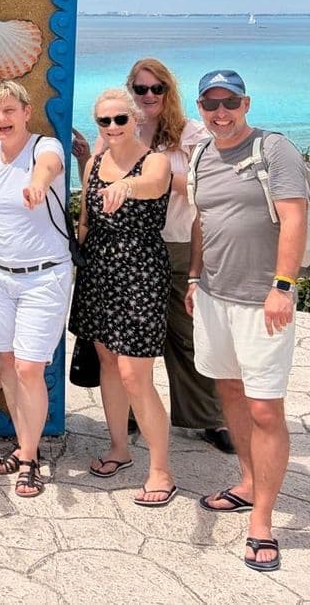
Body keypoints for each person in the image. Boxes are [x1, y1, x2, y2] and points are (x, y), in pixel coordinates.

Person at [73, 59, 230, 453]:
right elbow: (95, 192)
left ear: (168, 92)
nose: (148, 97)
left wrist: (143, 179)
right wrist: (88, 163)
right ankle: (127, 418)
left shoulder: (190, 136)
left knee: (184, 335)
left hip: (173, 242)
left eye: (155, 89)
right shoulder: (115, 128)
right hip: (116, 253)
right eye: (140, 90)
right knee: (121, 349)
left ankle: (205, 417)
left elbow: (201, 189)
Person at [186, 70, 309, 574]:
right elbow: (202, 220)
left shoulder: (274, 150)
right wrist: (194, 277)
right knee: (231, 393)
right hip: (214, 295)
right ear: (200, 106)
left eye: (229, 102)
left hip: (263, 301)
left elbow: (294, 217)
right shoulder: (201, 154)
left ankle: (262, 521)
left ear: (246, 103)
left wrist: (283, 286)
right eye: (211, 103)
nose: (221, 112)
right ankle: (247, 481)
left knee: (264, 408)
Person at [0, 80, 72, 499]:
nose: (1, 120)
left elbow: (47, 167)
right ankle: (25, 444)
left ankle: (28, 457)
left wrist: (38, 184)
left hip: (43, 276)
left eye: (9, 111)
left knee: (29, 368)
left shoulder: (46, 148)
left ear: (26, 111)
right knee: (7, 363)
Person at [68, 89, 178, 506]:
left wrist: (125, 187)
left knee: (136, 374)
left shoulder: (155, 162)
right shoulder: (94, 163)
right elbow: (85, 216)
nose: (112, 127)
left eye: (119, 119)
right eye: (104, 121)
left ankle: (161, 469)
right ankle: (119, 448)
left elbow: (151, 187)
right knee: (109, 363)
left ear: (134, 119)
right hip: (98, 269)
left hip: (140, 271)